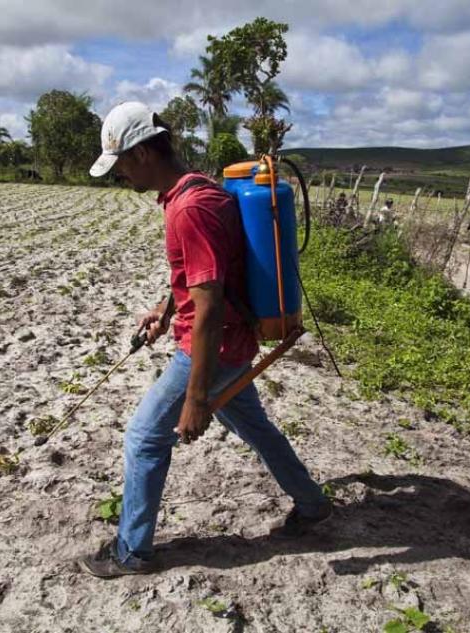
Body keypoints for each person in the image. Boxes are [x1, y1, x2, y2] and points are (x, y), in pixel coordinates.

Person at [78, 101, 331, 578]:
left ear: (142, 153)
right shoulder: (196, 189)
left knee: (145, 438)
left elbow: (211, 304)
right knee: (255, 428)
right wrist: (165, 308)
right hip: (232, 344)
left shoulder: (189, 208)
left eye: (120, 167)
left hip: (212, 349)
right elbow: (199, 278)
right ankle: (313, 505)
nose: (120, 178)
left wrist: (196, 398)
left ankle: (132, 552)